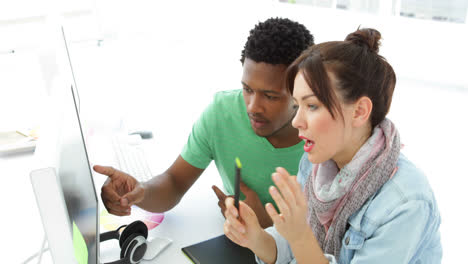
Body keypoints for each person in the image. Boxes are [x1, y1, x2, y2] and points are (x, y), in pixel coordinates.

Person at [223, 28, 442, 263]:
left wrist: (300, 238)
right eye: (297, 105)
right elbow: (288, 245)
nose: (296, 121)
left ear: (359, 112)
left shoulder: (405, 201)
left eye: (312, 106)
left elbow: (299, 241)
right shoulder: (314, 163)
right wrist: (255, 238)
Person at [93, 17, 315, 228]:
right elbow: (174, 183)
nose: (252, 107)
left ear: (302, 90)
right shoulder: (222, 113)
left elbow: (336, 236)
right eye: (247, 89)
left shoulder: (326, 135)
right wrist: (140, 191)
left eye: (270, 96)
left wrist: (267, 225)